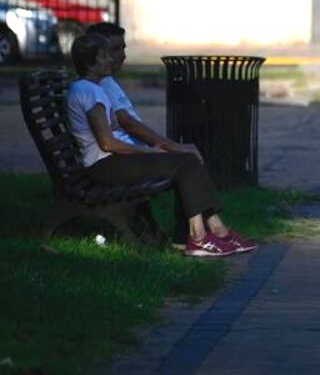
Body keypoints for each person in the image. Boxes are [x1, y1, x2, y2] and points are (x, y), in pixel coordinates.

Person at [65, 33, 256, 257]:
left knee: (186, 161)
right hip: (105, 166)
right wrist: (148, 151)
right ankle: (199, 237)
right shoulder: (89, 91)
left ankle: (214, 232)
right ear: (90, 63)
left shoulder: (89, 89)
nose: (111, 59)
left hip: (109, 163)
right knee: (185, 163)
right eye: (104, 56)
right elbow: (107, 143)